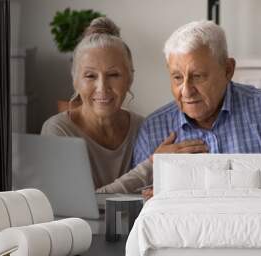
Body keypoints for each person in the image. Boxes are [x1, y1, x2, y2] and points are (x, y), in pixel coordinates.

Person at [41, 17, 206, 195]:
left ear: (130, 79)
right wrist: (153, 164)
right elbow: (82, 204)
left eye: (113, 74)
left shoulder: (144, 128)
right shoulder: (57, 130)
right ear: (75, 81)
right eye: (90, 76)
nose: (102, 87)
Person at [132, 20, 261, 171]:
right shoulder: (153, 131)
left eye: (198, 76)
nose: (186, 91)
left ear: (228, 70)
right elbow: (141, 205)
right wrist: (159, 171)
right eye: (177, 78)